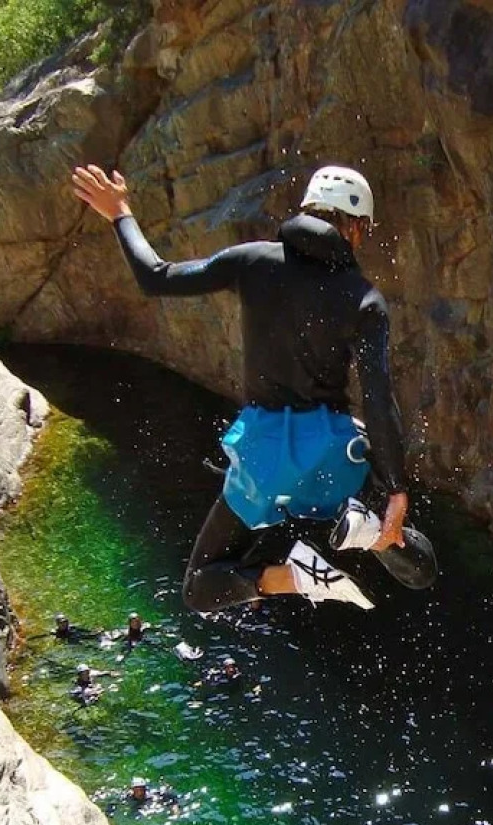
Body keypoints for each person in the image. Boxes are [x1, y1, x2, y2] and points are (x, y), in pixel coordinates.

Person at [70, 162, 411, 612]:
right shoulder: (365, 299)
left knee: (200, 587)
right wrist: (397, 490)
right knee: (380, 516)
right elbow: (379, 402)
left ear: (307, 208)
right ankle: (362, 526)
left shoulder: (252, 261)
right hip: (335, 453)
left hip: (263, 460)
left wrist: (121, 213)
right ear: (357, 230)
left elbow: (155, 276)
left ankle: (296, 577)